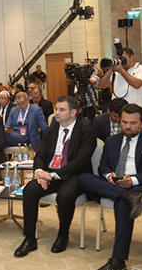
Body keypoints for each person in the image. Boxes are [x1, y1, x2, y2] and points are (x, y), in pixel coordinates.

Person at [78, 104, 142, 270]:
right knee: (84, 178)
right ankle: (129, 196)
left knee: (122, 203)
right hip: (115, 184)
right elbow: (103, 166)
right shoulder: (111, 141)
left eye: (133, 123)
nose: (128, 127)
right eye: (124, 122)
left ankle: (118, 260)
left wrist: (133, 180)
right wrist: (109, 176)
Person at [14, 96, 97, 258]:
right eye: (56, 109)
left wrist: (52, 175)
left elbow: (81, 161)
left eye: (61, 110)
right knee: (30, 190)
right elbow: (40, 155)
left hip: (73, 175)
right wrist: (39, 172)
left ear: (73, 112)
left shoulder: (87, 132)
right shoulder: (51, 131)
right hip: (48, 173)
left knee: (65, 196)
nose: (56, 113)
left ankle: (63, 235)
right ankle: (30, 238)